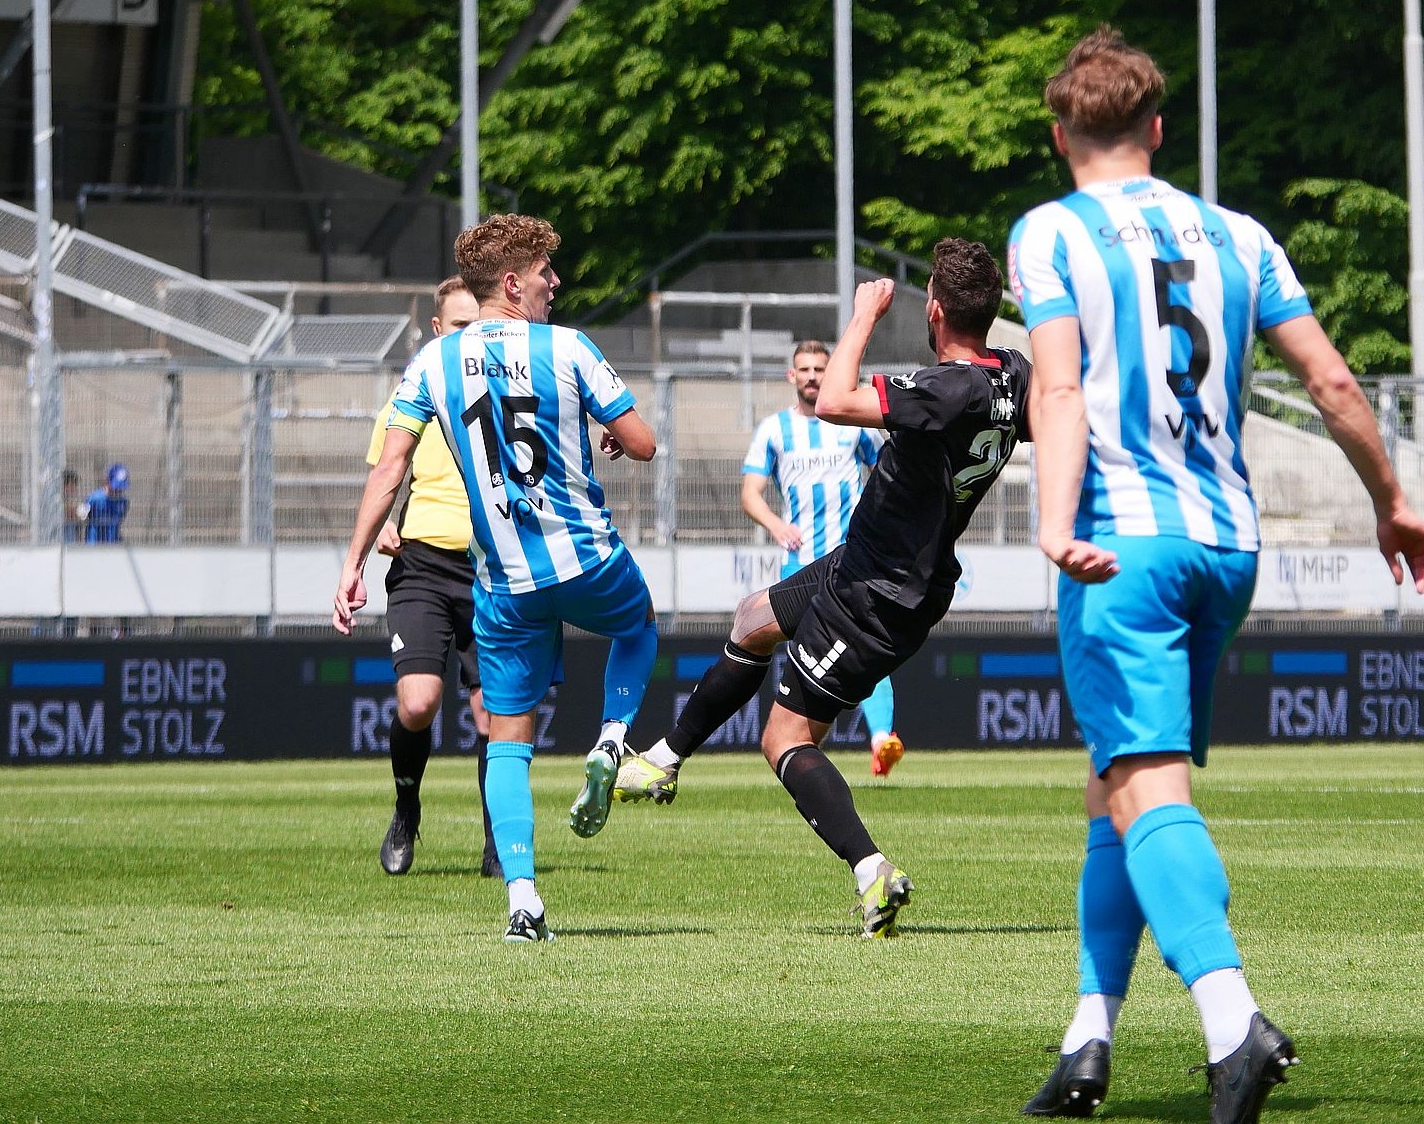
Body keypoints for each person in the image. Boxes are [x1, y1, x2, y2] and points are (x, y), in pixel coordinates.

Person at [1008, 26, 1424, 1124]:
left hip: (1123, 545)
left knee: (1148, 785)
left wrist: (1052, 526)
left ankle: (1230, 1018)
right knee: (1116, 785)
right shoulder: (1241, 235)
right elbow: (1332, 382)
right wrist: (1390, 500)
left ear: (1061, 136)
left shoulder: (1050, 232)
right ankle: (1089, 1035)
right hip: (1226, 546)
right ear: (1157, 128)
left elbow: (1057, 392)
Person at [613, 241, 1029, 939]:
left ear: (934, 308)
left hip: (879, 593)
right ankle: (663, 760)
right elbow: (1042, 419)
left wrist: (863, 315)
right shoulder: (1007, 375)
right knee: (752, 617)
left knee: (785, 738)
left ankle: (872, 872)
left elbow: (833, 401)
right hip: (862, 562)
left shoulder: (946, 389)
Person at [334, 213, 660, 943]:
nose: (555, 283)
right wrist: (611, 433)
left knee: (508, 736)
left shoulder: (432, 362)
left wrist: (352, 564)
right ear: (512, 283)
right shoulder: (567, 346)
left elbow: (389, 469)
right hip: (584, 558)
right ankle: (612, 739)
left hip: (505, 582)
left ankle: (523, 901)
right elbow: (643, 444)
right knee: (638, 628)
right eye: (545, 272)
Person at [365, 275, 501, 879]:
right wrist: (383, 527)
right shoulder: (411, 393)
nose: (473, 336)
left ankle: (499, 843)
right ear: (438, 330)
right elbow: (386, 474)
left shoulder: (506, 393)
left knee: (493, 714)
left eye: (482, 325)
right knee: (418, 703)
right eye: (462, 326)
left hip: (492, 569)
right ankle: (406, 808)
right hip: (423, 564)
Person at [742, 339, 904, 776]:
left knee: (867, 646)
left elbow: (890, 471)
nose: (813, 376)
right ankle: (807, 750)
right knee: (810, 658)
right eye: (806, 369)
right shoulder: (774, 430)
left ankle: (881, 740)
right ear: (791, 376)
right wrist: (775, 524)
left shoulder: (853, 423)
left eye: (820, 369)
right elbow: (751, 493)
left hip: (854, 560)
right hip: (801, 564)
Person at [83, 463, 130, 543]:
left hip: (114, 544)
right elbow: (82, 517)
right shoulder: (94, 499)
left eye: (121, 487)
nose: (119, 490)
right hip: (94, 544)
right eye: (116, 486)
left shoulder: (123, 502)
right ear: (107, 481)